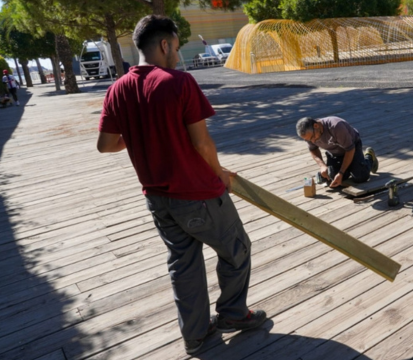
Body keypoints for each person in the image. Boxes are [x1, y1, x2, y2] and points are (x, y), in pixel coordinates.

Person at [96, 15, 266, 355]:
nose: (176, 53)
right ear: (164, 44)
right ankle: (233, 314)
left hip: (158, 200)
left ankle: (196, 334)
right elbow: (202, 143)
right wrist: (219, 173)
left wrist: (145, 133)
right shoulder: (179, 82)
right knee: (237, 250)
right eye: (174, 46)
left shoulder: (117, 89)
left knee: (183, 265)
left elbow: (106, 144)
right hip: (198, 194)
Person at [296, 116, 379, 188]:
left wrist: (341, 172)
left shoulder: (336, 126)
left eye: (313, 137)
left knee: (360, 177)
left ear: (316, 125)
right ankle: (351, 166)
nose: (313, 141)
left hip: (352, 147)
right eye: (309, 140)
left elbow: (350, 149)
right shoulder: (310, 135)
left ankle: (369, 157)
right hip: (335, 152)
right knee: (331, 177)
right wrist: (322, 166)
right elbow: (313, 149)